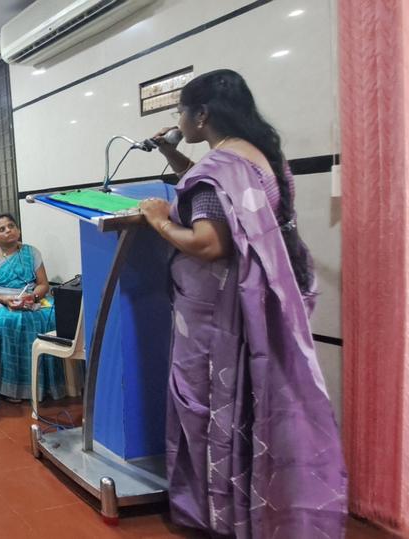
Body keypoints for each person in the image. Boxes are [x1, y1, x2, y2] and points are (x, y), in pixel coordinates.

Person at [135, 69, 346, 537]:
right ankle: (257, 506)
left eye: (180, 114)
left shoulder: (219, 168)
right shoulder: (257, 157)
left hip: (217, 318)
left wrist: (156, 219)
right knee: (253, 403)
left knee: (208, 403)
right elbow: (219, 201)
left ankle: (219, 512)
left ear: (201, 115)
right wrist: (173, 152)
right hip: (256, 305)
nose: (178, 120)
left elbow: (210, 242)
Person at [0, 213, 64, 402]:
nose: (8, 231)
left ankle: (51, 383)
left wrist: (33, 296)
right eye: (2, 229)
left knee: (55, 313)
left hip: (30, 297)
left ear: (18, 229)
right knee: (9, 319)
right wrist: (4, 299)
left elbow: (43, 284)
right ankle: (13, 386)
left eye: (11, 226)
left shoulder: (31, 252)